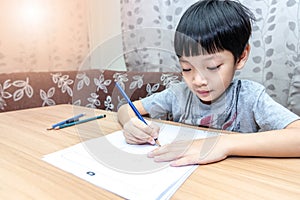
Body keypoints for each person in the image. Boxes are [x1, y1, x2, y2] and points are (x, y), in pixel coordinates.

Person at [117, 0, 300, 167]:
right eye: (187, 68)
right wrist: (130, 123)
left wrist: (223, 143)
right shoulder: (179, 94)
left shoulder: (249, 97)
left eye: (212, 67)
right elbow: (126, 108)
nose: (197, 81)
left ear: (241, 56)